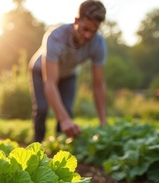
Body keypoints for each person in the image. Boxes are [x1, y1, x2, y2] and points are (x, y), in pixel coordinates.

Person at [29, 0, 107, 142]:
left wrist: (103, 122)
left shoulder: (98, 44)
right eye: (85, 29)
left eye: (93, 31)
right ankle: (36, 145)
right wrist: (64, 119)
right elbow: (50, 83)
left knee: (67, 110)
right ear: (76, 21)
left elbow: (98, 85)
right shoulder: (56, 36)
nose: (88, 35)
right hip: (41, 71)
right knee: (42, 108)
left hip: (68, 74)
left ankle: (59, 145)